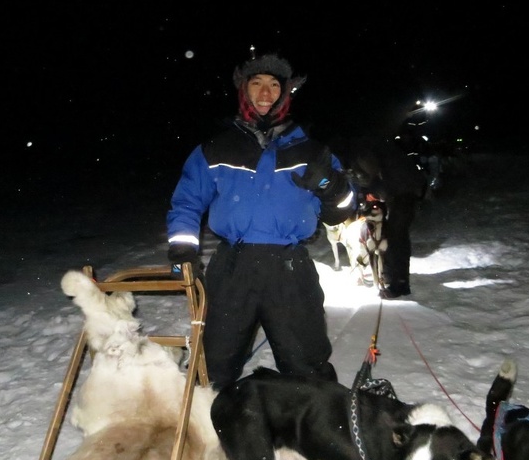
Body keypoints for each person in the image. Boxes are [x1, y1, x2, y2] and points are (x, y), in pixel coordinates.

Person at [166, 52, 356, 389]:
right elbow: (187, 201)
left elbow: (342, 209)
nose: (266, 93)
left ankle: (311, 437)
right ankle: (209, 434)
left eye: (273, 85)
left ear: (285, 93)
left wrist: (328, 182)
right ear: (244, 91)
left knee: (307, 368)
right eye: (257, 84)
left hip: (290, 269)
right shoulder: (215, 149)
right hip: (232, 269)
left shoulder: (312, 151)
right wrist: (183, 252)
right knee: (214, 368)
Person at [347, 136, 427, 299]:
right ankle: (391, 275)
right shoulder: (378, 147)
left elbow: (376, 179)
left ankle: (399, 284)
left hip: (403, 192)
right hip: (406, 188)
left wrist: (370, 193)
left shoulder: (366, 154)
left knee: (396, 237)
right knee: (395, 235)